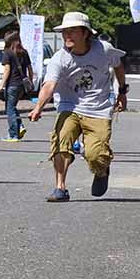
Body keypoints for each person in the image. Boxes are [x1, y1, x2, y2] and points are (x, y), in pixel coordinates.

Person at [28, 12, 126, 202]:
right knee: (60, 141)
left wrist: (122, 91)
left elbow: (118, 66)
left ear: (86, 33)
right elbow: (49, 85)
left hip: (98, 109)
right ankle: (60, 188)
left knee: (94, 154)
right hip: (69, 106)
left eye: (73, 31)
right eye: (65, 32)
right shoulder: (60, 58)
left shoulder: (103, 49)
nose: (67, 36)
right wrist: (38, 107)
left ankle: (101, 170)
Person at [0, 30, 33, 142]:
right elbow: (30, 69)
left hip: (12, 84)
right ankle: (19, 126)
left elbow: (7, 70)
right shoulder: (24, 52)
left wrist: (1, 86)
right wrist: (30, 81)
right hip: (22, 85)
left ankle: (13, 135)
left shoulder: (8, 52)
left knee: (9, 109)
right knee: (12, 107)